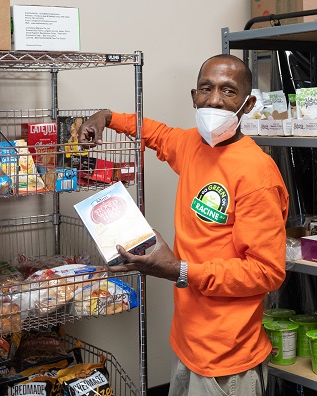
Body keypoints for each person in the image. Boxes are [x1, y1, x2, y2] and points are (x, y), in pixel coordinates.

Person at [78, 54, 289, 396]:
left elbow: (266, 272)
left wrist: (180, 270)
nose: (215, 99)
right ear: (194, 96)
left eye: (229, 91)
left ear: (248, 104)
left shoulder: (257, 174)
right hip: (187, 344)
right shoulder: (192, 145)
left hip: (228, 360)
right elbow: (157, 134)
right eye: (207, 88)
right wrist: (107, 117)